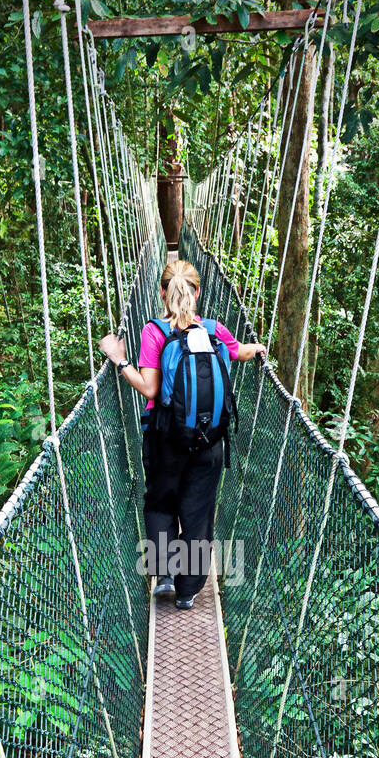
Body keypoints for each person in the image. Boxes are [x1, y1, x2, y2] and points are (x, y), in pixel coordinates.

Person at [99, 259, 264, 609]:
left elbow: (149, 388)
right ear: (198, 291)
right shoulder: (214, 330)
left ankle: (164, 576)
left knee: (160, 503)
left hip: (165, 438)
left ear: (161, 292)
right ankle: (188, 593)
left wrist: (120, 360)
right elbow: (241, 352)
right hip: (210, 441)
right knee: (198, 513)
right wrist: (258, 350)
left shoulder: (154, 332)